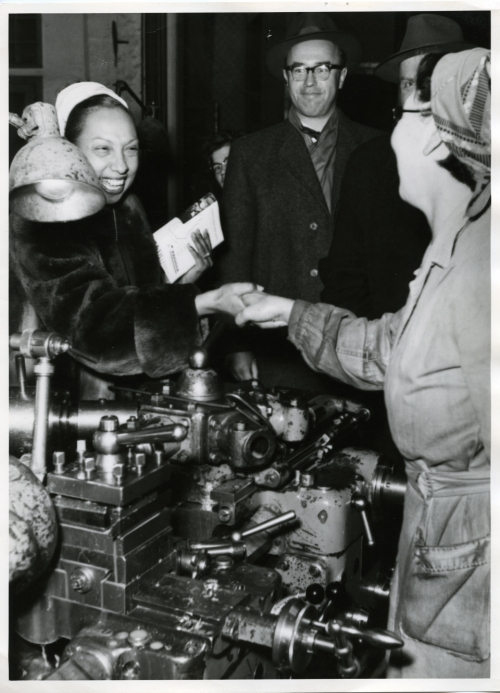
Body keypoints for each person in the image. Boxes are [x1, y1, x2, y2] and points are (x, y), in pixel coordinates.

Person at [236, 48, 491, 678]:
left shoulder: (482, 265)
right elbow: (391, 349)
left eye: (406, 110)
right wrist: (290, 313)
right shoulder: (461, 242)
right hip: (442, 542)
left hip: (473, 570)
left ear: (433, 136)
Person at [9, 82, 261, 397]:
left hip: (125, 397)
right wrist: (201, 303)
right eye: (103, 148)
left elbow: (135, 295)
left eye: (130, 148)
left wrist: (181, 280)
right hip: (46, 397)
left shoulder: (128, 207)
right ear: (69, 150)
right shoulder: (43, 210)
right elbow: (93, 329)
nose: (121, 166)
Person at [217, 13, 380, 386]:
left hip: (358, 344)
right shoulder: (251, 154)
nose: (309, 81)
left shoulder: (378, 148)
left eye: (322, 69)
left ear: (342, 76)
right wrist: (237, 343)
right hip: (278, 347)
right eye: (299, 70)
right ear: (286, 77)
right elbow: (235, 256)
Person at [320, 14, 473, 319]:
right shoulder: (369, 163)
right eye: (407, 82)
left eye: (429, 81)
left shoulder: (483, 164)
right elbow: (344, 280)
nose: (415, 96)